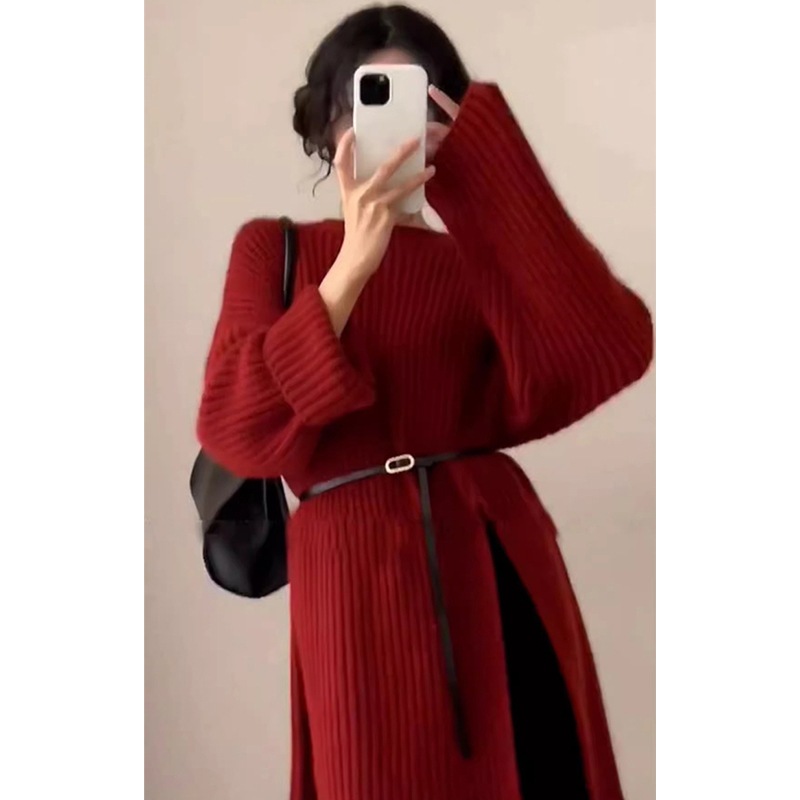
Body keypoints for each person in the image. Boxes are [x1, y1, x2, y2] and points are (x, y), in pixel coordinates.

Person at [196, 4, 653, 800]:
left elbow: (606, 352)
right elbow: (238, 429)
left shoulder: (477, 259)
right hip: (351, 570)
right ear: (327, 123)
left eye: (414, 100)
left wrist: (493, 182)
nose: (388, 126)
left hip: (497, 556)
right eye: (367, 100)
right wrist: (352, 267)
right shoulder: (274, 249)